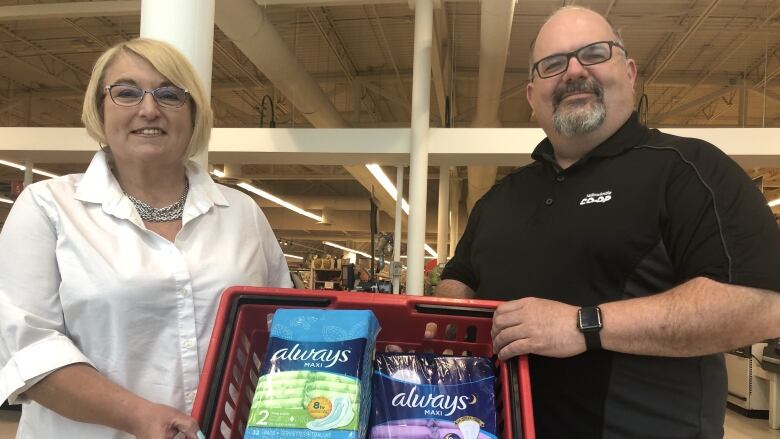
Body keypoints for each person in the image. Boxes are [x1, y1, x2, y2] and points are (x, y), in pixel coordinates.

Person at [437, 6, 780, 438]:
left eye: (594, 53)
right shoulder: (499, 199)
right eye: (553, 64)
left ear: (630, 72)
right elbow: (458, 281)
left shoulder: (689, 169)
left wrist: (584, 325)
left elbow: (763, 305)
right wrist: (444, 322)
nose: (574, 71)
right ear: (530, 96)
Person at [0, 38, 292, 439]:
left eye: (170, 94)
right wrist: (138, 415)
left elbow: (282, 330)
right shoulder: (48, 207)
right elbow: (27, 348)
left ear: (193, 115)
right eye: (126, 92)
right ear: (99, 110)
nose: (149, 108)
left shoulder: (242, 213)